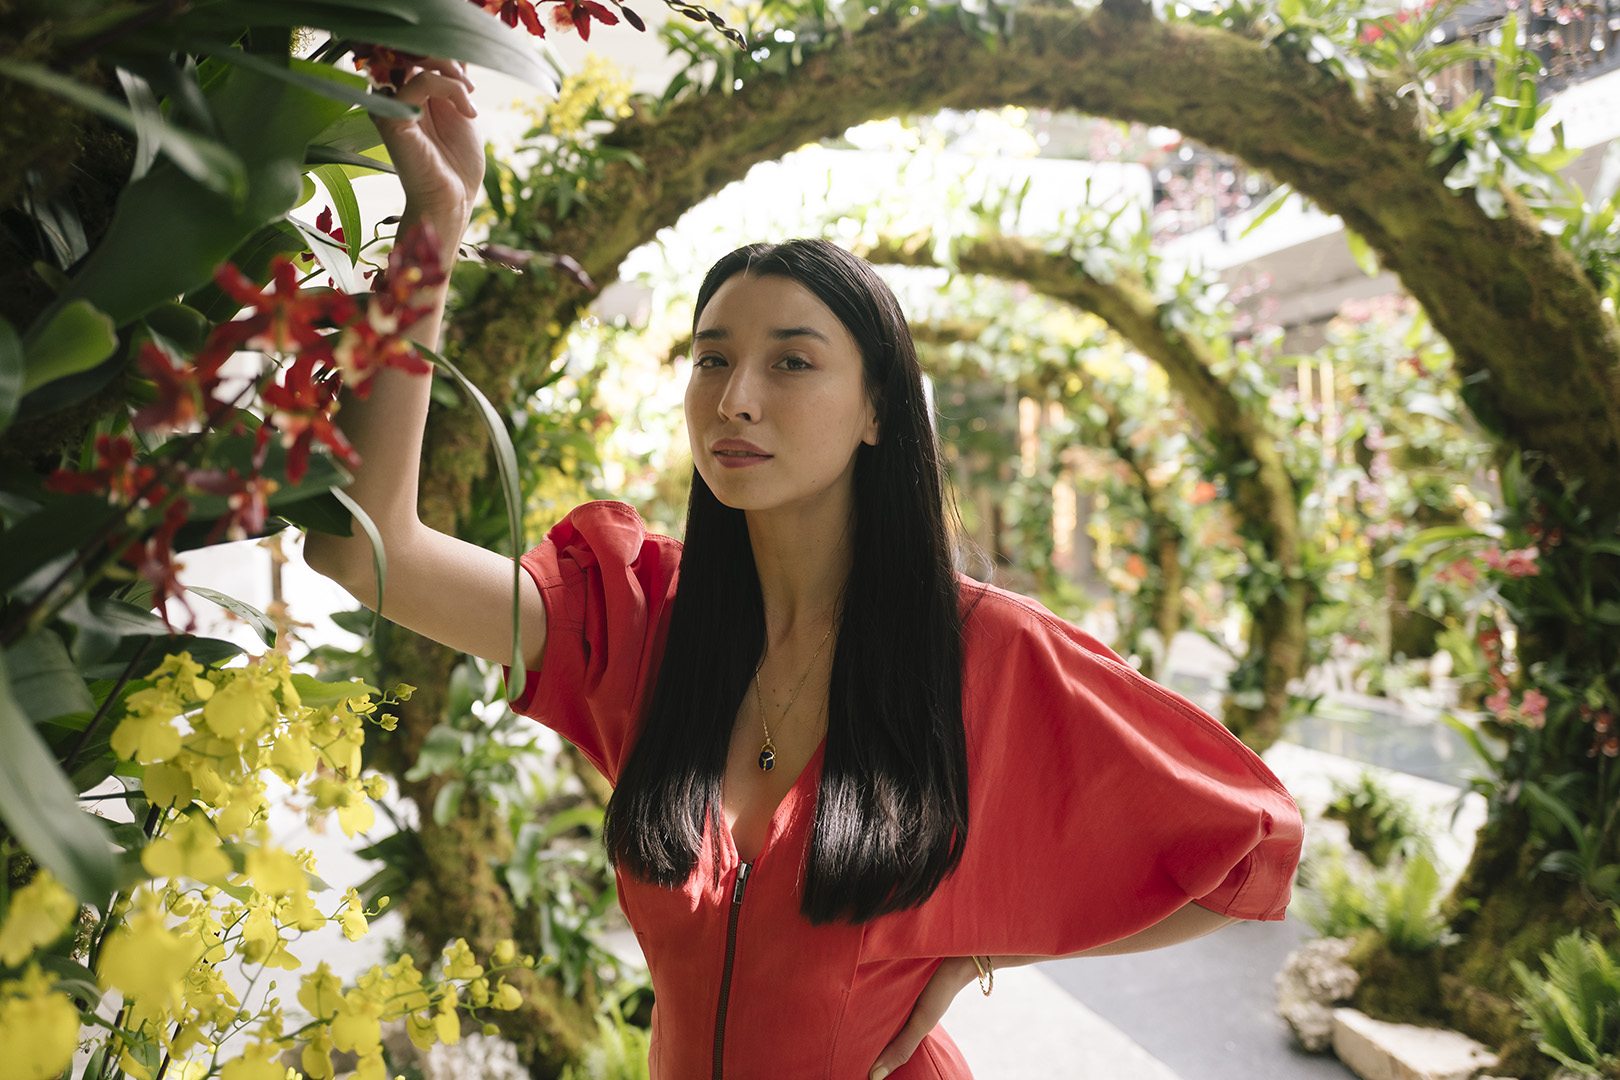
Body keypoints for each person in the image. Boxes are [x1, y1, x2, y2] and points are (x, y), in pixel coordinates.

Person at [304, 59, 1305, 1080]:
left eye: (792, 360)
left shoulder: (981, 653)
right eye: (711, 357)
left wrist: (978, 951)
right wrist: (435, 221)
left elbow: (1246, 848)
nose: (736, 398)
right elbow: (362, 548)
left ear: (877, 409)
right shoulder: (640, 619)